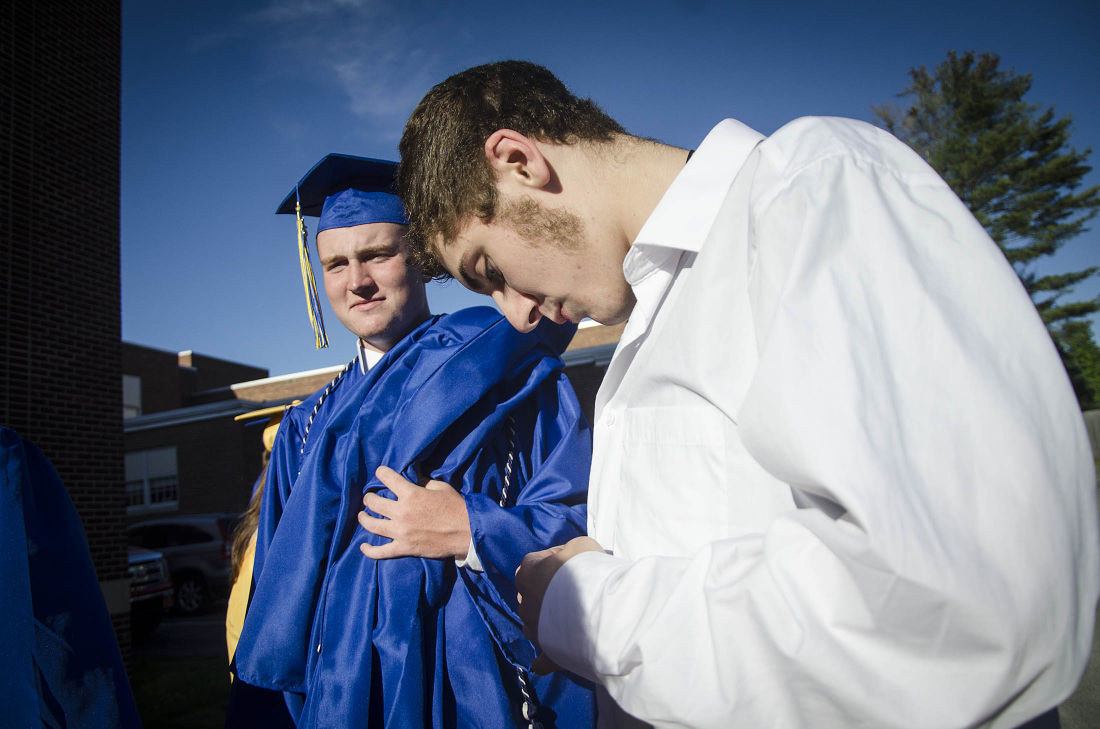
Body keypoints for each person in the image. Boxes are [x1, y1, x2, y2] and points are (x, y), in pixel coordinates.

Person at [395, 60, 1099, 728]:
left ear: (518, 160)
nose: (516, 314)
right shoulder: (649, 329)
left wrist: (584, 607)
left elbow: (963, 607)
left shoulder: (809, 189)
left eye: (490, 269)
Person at [227, 154, 595, 728]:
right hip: (343, 701)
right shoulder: (306, 427)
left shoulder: (510, 377)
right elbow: (276, 603)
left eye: (377, 254)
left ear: (421, 257)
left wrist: (473, 529)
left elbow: (581, 521)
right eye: (336, 264)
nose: (357, 281)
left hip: (476, 692)